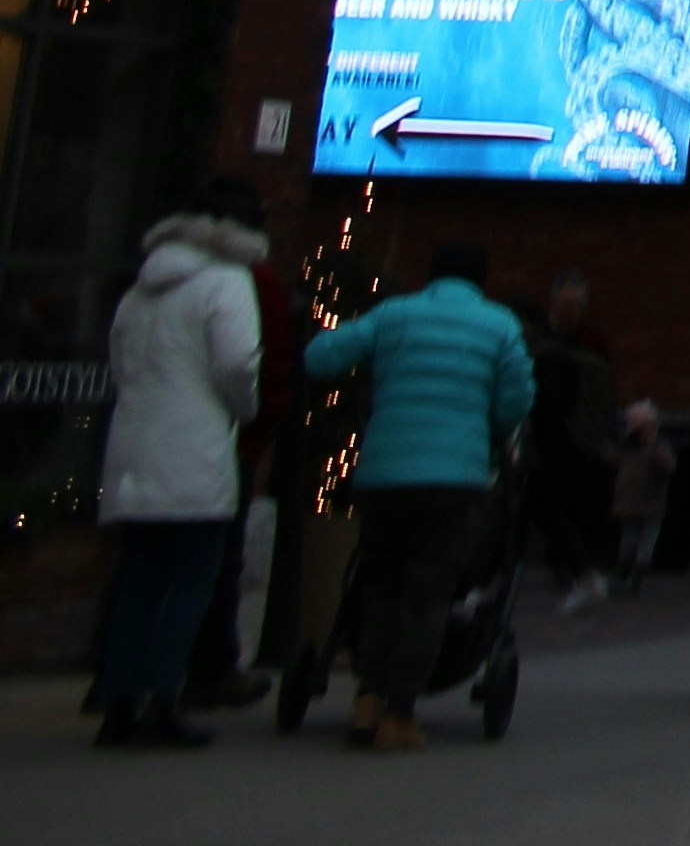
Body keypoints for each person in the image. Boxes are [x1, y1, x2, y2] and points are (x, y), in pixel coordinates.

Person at [304, 234, 537, 754]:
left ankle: (367, 698)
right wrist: (490, 429)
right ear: (480, 280)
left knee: (379, 586)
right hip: (455, 479)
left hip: (385, 473)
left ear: (430, 274)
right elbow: (517, 397)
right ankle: (400, 713)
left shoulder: (394, 314)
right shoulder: (499, 325)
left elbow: (321, 356)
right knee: (428, 594)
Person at [90, 177, 265, 750]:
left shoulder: (139, 290)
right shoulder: (228, 281)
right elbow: (238, 364)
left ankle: (118, 704)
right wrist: (244, 409)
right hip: (196, 450)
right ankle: (162, 700)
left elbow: (120, 363)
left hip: (133, 449)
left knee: (139, 581)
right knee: (191, 584)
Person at [523, 270, 621, 605]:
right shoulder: (541, 338)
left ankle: (572, 565)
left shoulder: (589, 340)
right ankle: (568, 564)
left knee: (567, 502)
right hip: (545, 431)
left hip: (579, 435)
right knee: (546, 501)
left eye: (577, 304)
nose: (571, 310)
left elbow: (604, 388)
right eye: (566, 303)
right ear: (553, 301)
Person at [607, 398, 676, 588]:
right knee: (628, 542)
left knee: (645, 544)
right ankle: (623, 574)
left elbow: (668, 467)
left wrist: (654, 449)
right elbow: (612, 458)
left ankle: (635, 578)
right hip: (630, 502)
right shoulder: (627, 448)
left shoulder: (658, 447)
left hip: (651, 504)